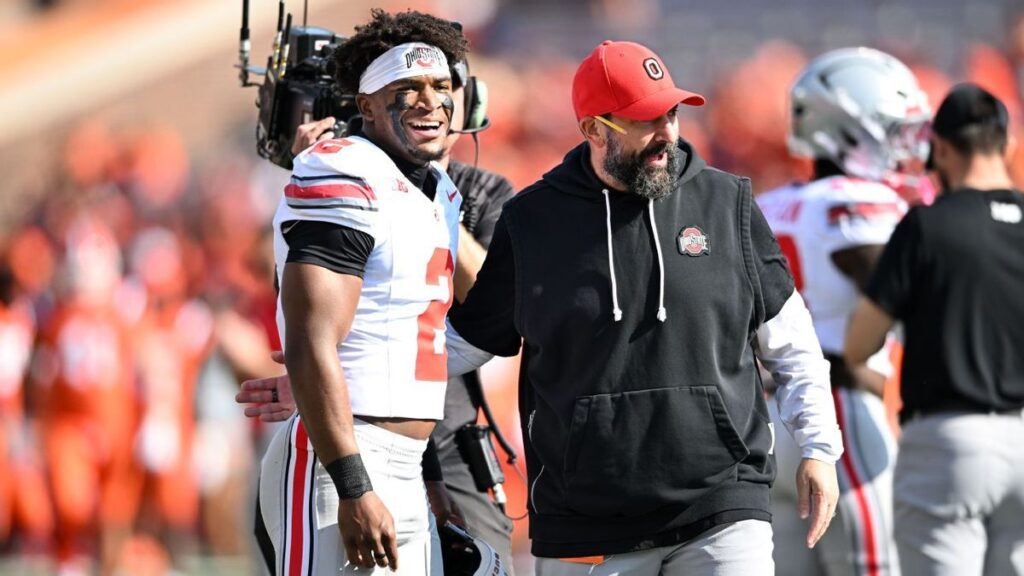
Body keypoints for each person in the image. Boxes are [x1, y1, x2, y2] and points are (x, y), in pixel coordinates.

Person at [442, 39, 843, 574]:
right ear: (592, 130)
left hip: (722, 509)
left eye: (671, 113)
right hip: (585, 527)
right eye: (644, 119)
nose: (667, 134)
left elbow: (793, 343)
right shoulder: (531, 223)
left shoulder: (729, 204)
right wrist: (336, 389)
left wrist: (819, 449)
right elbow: (459, 347)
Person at [241, 50, 518, 571]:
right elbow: (311, 339)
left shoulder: (436, 190)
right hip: (345, 461)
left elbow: (428, 340)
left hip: (409, 462)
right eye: (408, 87)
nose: (430, 100)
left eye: (441, 86)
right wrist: (354, 486)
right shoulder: (342, 167)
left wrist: (428, 479)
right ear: (365, 105)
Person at [757, 47, 931, 576]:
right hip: (840, 412)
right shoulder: (858, 202)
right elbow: (913, 299)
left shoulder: (761, 205)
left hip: (761, 423)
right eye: (893, 130)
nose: (904, 147)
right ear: (850, 128)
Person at [845, 83, 1024, 576]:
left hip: (949, 440)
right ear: (1006, 144)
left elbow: (860, 343)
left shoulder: (926, 226)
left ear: (939, 148)